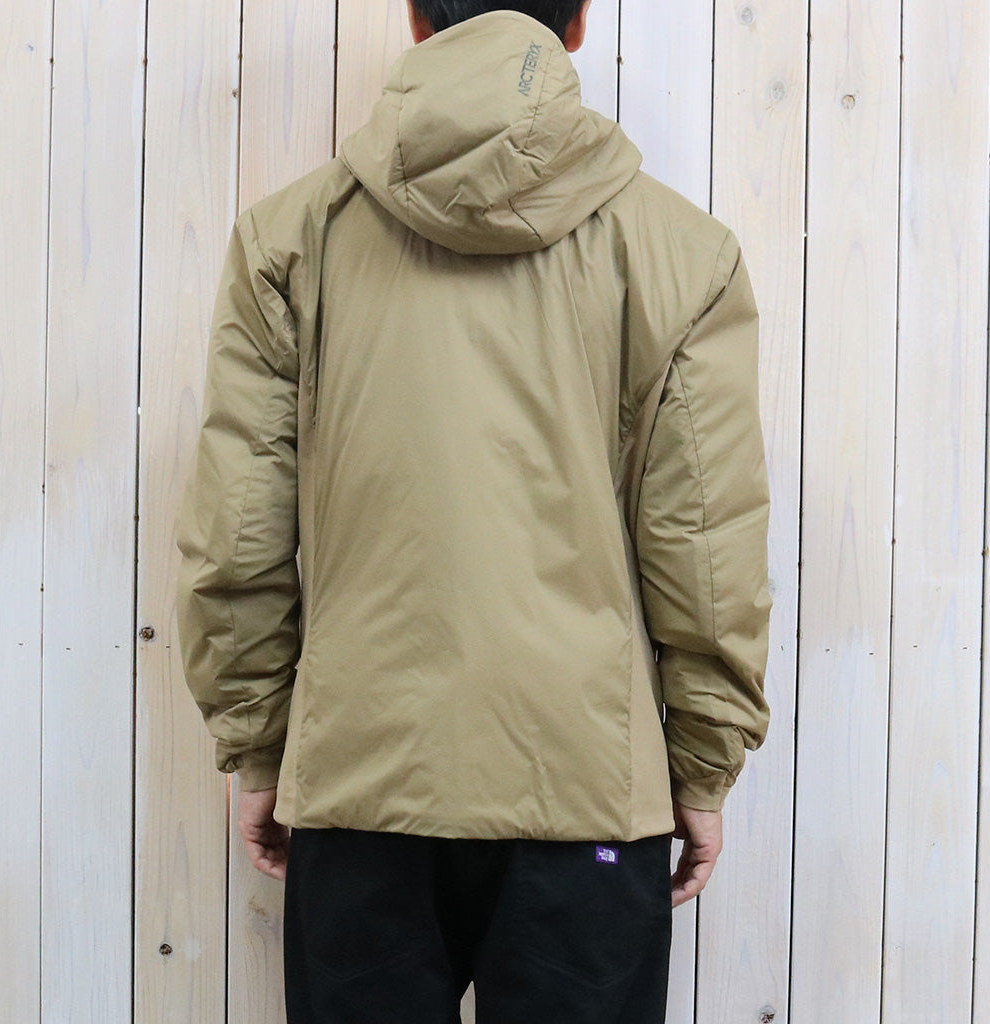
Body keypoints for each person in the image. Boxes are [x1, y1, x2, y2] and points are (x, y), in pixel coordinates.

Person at [176, 1, 771, 1020]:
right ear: (578, 24)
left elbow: (239, 533)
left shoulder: (290, 241)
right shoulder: (684, 253)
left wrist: (260, 745)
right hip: (589, 798)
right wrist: (702, 768)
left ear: (419, 19)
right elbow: (706, 547)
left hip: (361, 785)